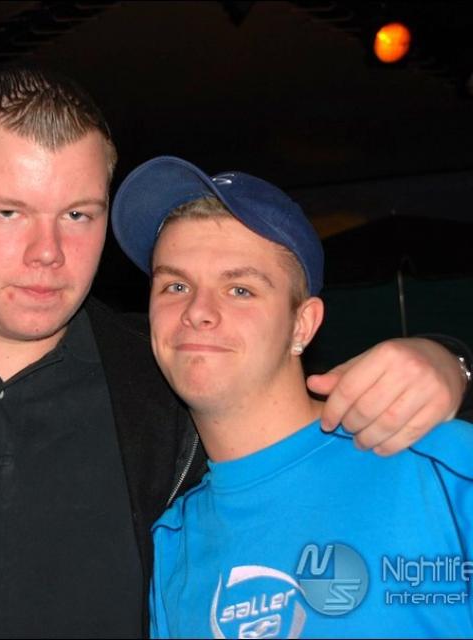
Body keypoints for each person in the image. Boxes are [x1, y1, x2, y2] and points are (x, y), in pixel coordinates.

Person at [0, 66, 470, 639]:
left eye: (78, 215)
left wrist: (452, 362)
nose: (46, 253)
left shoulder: (152, 383)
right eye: (8, 212)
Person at [110, 156, 473, 639]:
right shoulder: (173, 540)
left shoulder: (436, 464)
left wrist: (455, 361)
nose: (197, 311)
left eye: (240, 289)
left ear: (302, 325)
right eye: (176, 285)